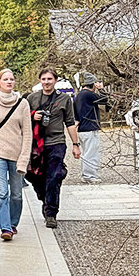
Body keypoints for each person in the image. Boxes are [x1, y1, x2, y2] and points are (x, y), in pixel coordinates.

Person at [25, 68, 81, 229]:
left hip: (56, 142)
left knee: (54, 176)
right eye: (43, 79)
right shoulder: (32, 98)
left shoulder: (64, 99)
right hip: (36, 143)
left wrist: (75, 145)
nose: (47, 82)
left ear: (55, 80)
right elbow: (21, 119)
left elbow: (70, 122)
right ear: (40, 81)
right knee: (33, 175)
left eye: (50, 79)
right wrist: (32, 115)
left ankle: (51, 213)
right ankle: (45, 197)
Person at [0, 69, 32, 240]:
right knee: (2, 192)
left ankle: (13, 223)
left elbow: (27, 133)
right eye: (5, 79)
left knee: (17, 193)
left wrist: (24, 157)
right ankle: (5, 228)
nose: (9, 82)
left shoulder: (23, 104)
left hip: (17, 153)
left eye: (11, 79)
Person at [74, 73, 109, 183]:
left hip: (82, 128)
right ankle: (89, 176)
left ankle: (87, 174)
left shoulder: (79, 95)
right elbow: (104, 99)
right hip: (90, 127)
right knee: (91, 153)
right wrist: (101, 89)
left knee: (87, 152)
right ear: (93, 84)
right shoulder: (88, 94)